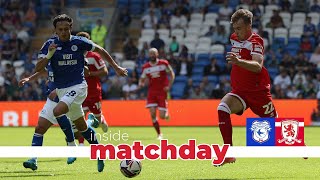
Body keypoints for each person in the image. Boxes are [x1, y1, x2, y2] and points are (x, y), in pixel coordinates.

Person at [34, 14, 128, 172]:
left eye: (66, 29)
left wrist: (116, 67)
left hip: (78, 87)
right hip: (62, 89)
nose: (63, 32)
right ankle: (99, 152)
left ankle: (71, 145)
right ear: (55, 30)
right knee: (82, 127)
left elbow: (100, 49)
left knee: (58, 111)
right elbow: (38, 68)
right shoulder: (49, 45)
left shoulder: (79, 42)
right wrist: (49, 55)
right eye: (60, 29)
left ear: (71, 28)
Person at [217, 9, 277, 166]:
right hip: (239, 91)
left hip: (258, 92)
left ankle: (299, 145)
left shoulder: (257, 41)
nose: (236, 32)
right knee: (222, 108)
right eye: (234, 28)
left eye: (239, 28)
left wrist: (238, 61)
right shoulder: (234, 38)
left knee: (275, 128)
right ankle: (228, 153)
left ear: (249, 26)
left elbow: (257, 66)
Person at [20, 63, 77, 171]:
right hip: (52, 100)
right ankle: (33, 158)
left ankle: (72, 146)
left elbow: (79, 75)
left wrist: (57, 90)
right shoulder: (51, 58)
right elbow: (44, 72)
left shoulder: (68, 55)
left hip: (69, 97)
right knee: (40, 128)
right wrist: (29, 78)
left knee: (81, 128)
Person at [75, 31, 109, 146]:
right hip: (79, 91)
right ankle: (81, 144)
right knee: (80, 118)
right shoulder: (74, 55)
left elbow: (105, 71)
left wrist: (90, 74)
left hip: (94, 91)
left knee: (97, 120)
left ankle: (101, 120)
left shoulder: (94, 56)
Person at [139, 48, 175, 139]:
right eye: (150, 54)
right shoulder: (145, 67)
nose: (152, 55)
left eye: (153, 53)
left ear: (157, 54)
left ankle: (166, 112)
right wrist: (141, 83)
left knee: (162, 116)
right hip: (152, 92)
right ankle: (159, 134)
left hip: (162, 91)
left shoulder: (164, 64)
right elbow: (142, 78)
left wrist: (169, 85)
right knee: (152, 113)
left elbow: (171, 73)